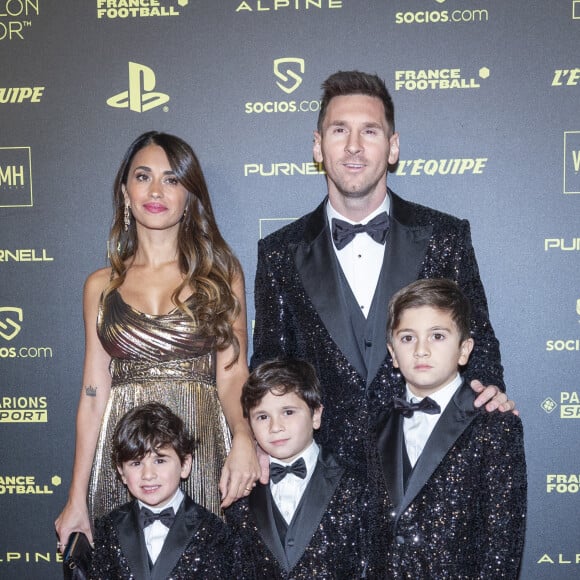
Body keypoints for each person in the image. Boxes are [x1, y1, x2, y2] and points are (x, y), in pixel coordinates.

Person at [251, 70, 513, 471]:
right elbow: (271, 363)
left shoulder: (445, 236)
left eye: (369, 132)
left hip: (427, 474)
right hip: (326, 483)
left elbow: (478, 339)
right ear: (318, 147)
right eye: (339, 131)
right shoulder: (278, 253)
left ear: (392, 148)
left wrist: (488, 389)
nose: (353, 147)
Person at [55, 131, 260, 550]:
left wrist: (243, 436)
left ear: (189, 195)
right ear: (125, 192)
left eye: (171, 179)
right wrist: (76, 493)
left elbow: (233, 372)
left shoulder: (221, 276)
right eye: (143, 176)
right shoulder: (100, 286)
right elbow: (94, 394)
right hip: (123, 454)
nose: (155, 190)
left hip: (202, 447)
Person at [370, 278, 527, 577]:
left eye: (437, 336)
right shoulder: (375, 425)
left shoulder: (495, 424)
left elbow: (502, 544)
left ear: (464, 349)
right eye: (407, 338)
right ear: (392, 353)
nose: (421, 350)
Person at [233, 358, 371, 578]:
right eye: (262, 417)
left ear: (315, 415)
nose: (275, 427)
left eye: (288, 412)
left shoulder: (357, 484)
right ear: (249, 424)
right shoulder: (241, 493)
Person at [89, 402, 244, 579]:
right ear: (122, 472)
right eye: (136, 463)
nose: (148, 474)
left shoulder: (213, 531)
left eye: (160, 461)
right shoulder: (108, 529)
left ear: (185, 464)